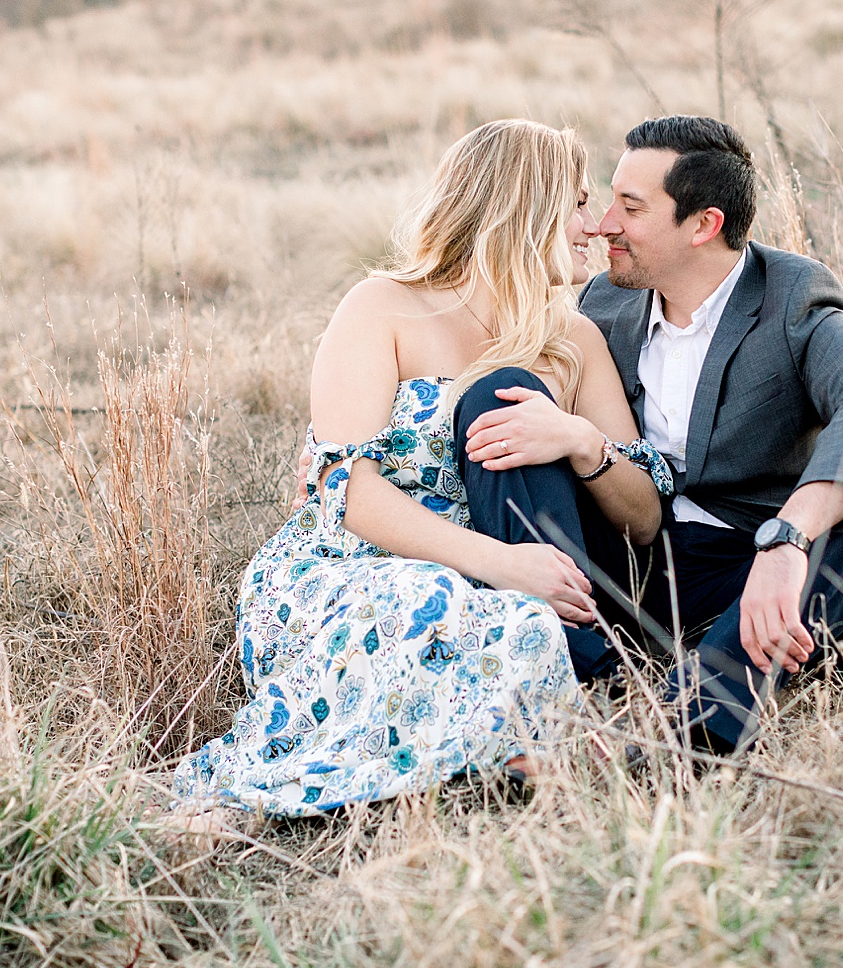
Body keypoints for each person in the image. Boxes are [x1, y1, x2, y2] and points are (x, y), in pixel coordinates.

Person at [171, 121, 673, 821]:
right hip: (351, 561)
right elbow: (345, 490)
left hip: (491, 570)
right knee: (425, 597)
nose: (593, 226)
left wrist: (580, 439)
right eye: (577, 204)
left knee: (517, 623)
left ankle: (505, 746)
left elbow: (644, 515)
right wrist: (500, 562)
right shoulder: (381, 307)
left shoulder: (574, 340)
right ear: (524, 210)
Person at [478, 115, 843, 757]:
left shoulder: (791, 298)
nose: (604, 223)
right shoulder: (601, 301)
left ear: (703, 225)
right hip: (626, 553)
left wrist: (787, 539)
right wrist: (351, 452)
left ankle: (693, 718)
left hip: (748, 564)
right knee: (513, 406)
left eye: (630, 207)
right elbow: (479, 355)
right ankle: (569, 670)